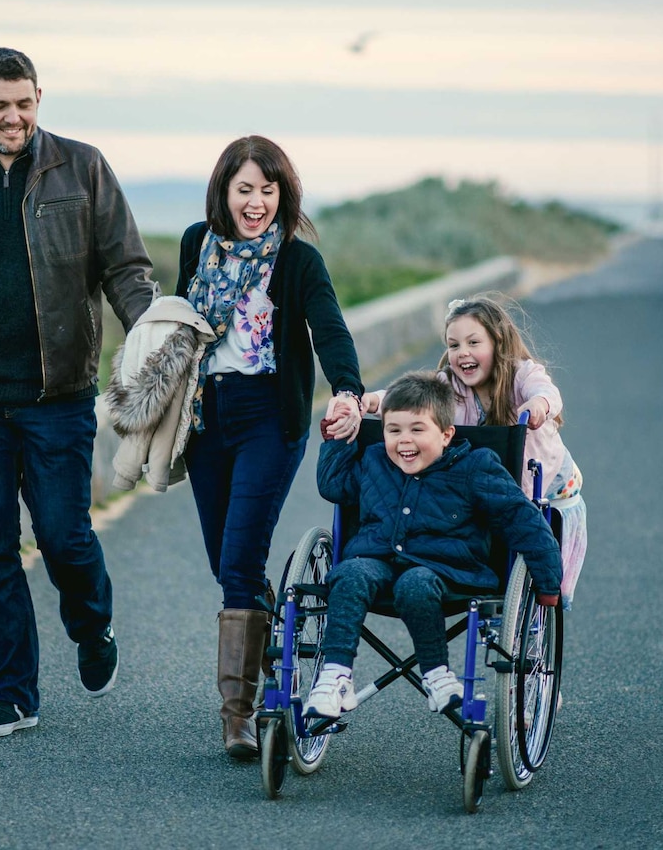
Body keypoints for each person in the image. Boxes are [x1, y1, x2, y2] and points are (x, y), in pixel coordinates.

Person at [0, 47, 155, 737]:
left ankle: (92, 622)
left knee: (64, 537)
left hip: (58, 397)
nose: (12, 117)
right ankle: (11, 694)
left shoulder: (83, 167)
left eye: (23, 104)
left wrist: (156, 335)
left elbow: (126, 267)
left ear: (39, 98)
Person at [175, 135, 365, 759]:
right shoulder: (195, 245)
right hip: (208, 420)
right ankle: (268, 637)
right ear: (223, 192)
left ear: (284, 194)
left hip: (267, 419)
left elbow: (329, 326)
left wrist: (347, 390)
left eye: (268, 190)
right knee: (225, 564)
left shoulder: (298, 260)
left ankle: (239, 716)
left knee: (235, 565)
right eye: (244, 190)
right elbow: (182, 323)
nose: (256, 203)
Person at [305, 371, 562, 720]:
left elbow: (523, 520)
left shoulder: (475, 467)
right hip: (377, 560)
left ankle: (437, 675)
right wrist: (337, 434)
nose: (403, 441)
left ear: (446, 434)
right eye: (393, 430)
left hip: (448, 570)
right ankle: (336, 676)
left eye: (416, 430)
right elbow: (334, 487)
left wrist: (548, 585)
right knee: (349, 573)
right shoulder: (375, 460)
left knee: (416, 583)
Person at [362, 294, 586, 610]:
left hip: (546, 483)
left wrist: (539, 404)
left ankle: (538, 607)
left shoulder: (521, 374)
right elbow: (412, 401)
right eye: (454, 346)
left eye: (473, 343)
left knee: (530, 533)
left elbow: (546, 391)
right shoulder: (450, 386)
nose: (462, 353)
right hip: (489, 483)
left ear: (497, 343)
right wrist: (374, 401)